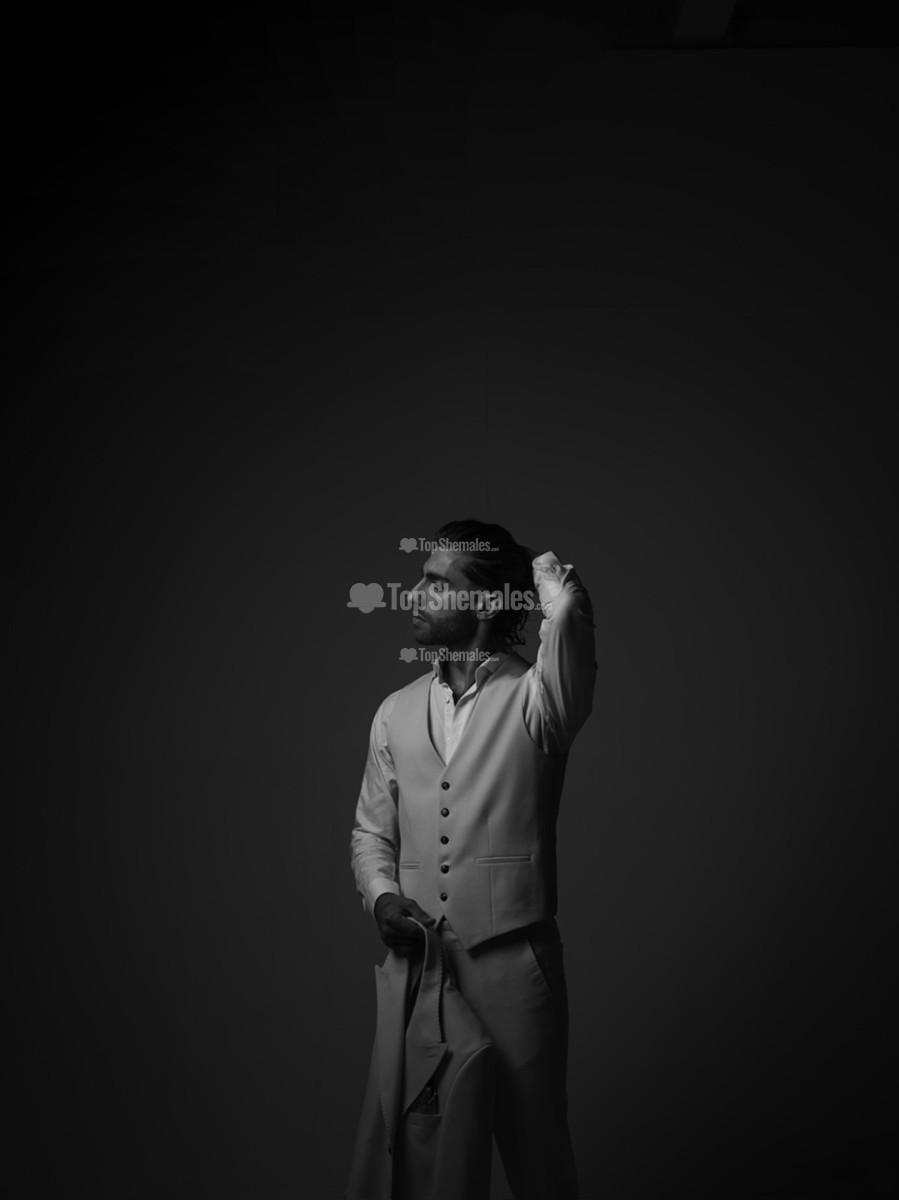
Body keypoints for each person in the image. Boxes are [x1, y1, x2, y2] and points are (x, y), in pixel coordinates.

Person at [350, 519, 596, 1199]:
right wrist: (381, 895)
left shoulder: (541, 698)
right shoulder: (393, 711)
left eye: (436, 582)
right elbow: (370, 833)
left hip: (515, 966)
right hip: (421, 970)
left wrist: (531, 568)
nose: (414, 594)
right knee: (419, 1163)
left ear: (486, 602)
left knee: (538, 1164)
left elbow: (568, 610)